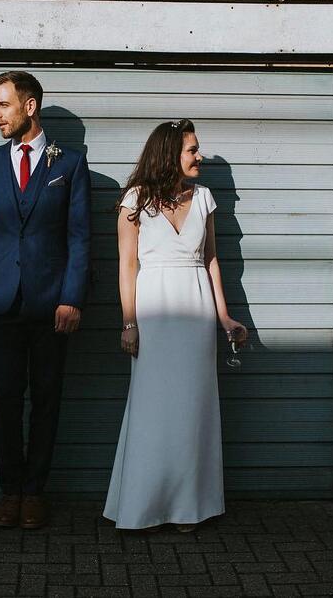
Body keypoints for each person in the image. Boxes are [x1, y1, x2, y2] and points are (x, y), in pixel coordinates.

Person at [103, 119, 248, 532]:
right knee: (152, 407)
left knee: (193, 408)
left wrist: (224, 317)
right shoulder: (136, 199)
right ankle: (144, 506)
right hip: (153, 307)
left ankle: (188, 507)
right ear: (170, 154)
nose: (199, 156)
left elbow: (211, 260)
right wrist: (128, 322)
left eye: (198, 149)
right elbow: (127, 265)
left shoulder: (204, 198)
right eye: (192, 150)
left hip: (197, 306)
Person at [0, 71, 91, 529]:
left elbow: (79, 238)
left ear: (29, 107)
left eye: (2, 105)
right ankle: (10, 489)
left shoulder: (70, 164)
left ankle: (36, 491)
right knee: (5, 399)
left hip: (52, 305)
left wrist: (72, 297)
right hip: (0, 303)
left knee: (48, 400)